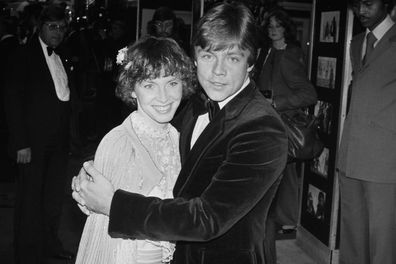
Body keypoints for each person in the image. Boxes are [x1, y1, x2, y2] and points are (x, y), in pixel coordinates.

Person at [72, 2, 288, 264]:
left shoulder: (262, 128)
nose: (218, 71)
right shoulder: (196, 104)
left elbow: (207, 219)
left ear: (251, 63)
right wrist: (96, 178)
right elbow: (158, 152)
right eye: (209, 56)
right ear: (195, 58)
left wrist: (112, 204)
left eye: (232, 58)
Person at [75, 36, 196, 264]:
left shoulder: (178, 136)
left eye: (172, 83)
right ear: (132, 89)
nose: (163, 97)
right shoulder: (119, 141)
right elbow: (103, 225)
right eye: (149, 85)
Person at [4, 4, 75, 263]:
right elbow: (12, 100)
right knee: (30, 201)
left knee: (53, 200)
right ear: (40, 27)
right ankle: (27, 252)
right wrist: (21, 143)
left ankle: (49, 245)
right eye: (52, 27)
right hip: (32, 143)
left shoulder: (61, 55)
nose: (58, 32)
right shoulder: (23, 55)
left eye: (62, 27)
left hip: (58, 143)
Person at [254, 7, 317, 264]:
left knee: (270, 196)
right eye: (270, 26)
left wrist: (276, 102)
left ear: (286, 28)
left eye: (278, 26)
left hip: (280, 130)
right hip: (266, 128)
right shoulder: (267, 52)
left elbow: (309, 94)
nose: (273, 30)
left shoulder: (289, 54)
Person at [338, 1, 396, 263]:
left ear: (387, 4)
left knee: (382, 241)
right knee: (351, 234)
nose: (361, 10)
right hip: (351, 153)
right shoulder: (357, 41)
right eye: (356, 4)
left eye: (369, 3)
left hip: (385, 158)